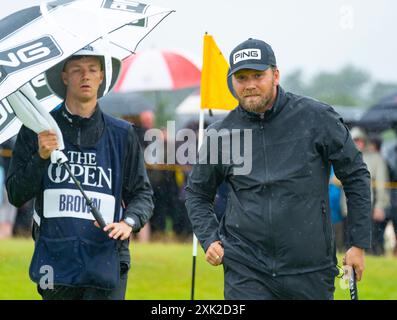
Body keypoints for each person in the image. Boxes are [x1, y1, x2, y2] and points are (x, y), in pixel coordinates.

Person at [185, 38, 372, 300]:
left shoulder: (317, 117)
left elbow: (356, 176)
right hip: (245, 270)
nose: (249, 85)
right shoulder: (220, 134)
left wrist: (358, 243)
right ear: (231, 81)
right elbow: (196, 194)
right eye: (241, 77)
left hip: (310, 269)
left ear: (275, 75)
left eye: (257, 75)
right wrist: (209, 238)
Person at [6, 45, 154, 300]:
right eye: (77, 70)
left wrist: (128, 223)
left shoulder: (122, 134)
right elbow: (16, 194)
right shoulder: (36, 130)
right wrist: (41, 157)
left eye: (92, 70)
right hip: (54, 258)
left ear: (102, 77)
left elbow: (143, 194)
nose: (85, 76)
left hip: (108, 257)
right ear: (64, 76)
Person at [349, 127, 390, 255]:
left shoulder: (375, 158)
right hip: (349, 207)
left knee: (373, 245)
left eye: (360, 140)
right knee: (349, 246)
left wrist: (380, 206)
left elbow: (381, 185)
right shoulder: (346, 158)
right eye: (354, 140)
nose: (358, 143)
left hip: (368, 206)